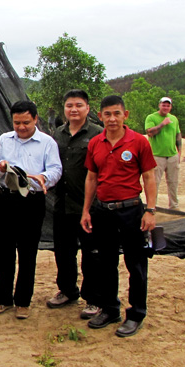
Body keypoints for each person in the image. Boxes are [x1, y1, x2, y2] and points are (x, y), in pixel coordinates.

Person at [81, 95, 157, 338]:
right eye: (107, 114)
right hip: (103, 211)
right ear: (100, 116)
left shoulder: (138, 142)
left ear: (126, 115)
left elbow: (149, 177)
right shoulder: (95, 142)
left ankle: (136, 313)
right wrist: (86, 210)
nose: (112, 119)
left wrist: (151, 211)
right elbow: (91, 178)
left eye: (116, 113)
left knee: (135, 263)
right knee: (106, 262)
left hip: (131, 211)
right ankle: (110, 308)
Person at [0, 100, 62, 320]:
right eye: (17, 122)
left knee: (28, 252)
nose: (21, 127)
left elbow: (56, 169)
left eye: (26, 123)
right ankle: (2, 299)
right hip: (6, 199)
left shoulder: (47, 143)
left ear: (36, 119)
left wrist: (44, 178)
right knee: (3, 251)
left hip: (32, 201)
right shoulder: (4, 139)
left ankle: (23, 301)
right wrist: (0, 167)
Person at [47, 90, 103, 319]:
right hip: (61, 204)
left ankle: (93, 298)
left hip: (88, 206)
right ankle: (68, 290)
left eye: (79, 105)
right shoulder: (56, 135)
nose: (74, 109)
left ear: (87, 108)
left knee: (91, 253)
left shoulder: (98, 134)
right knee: (63, 251)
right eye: (69, 105)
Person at [144, 97, 181, 209]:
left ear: (171, 107)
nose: (166, 107)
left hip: (172, 156)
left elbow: (178, 135)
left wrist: (179, 153)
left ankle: (174, 207)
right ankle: (152, 206)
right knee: (154, 183)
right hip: (156, 155)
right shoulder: (151, 117)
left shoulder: (174, 118)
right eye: (163, 105)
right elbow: (149, 132)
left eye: (168, 105)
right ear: (159, 105)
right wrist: (162, 124)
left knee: (173, 183)